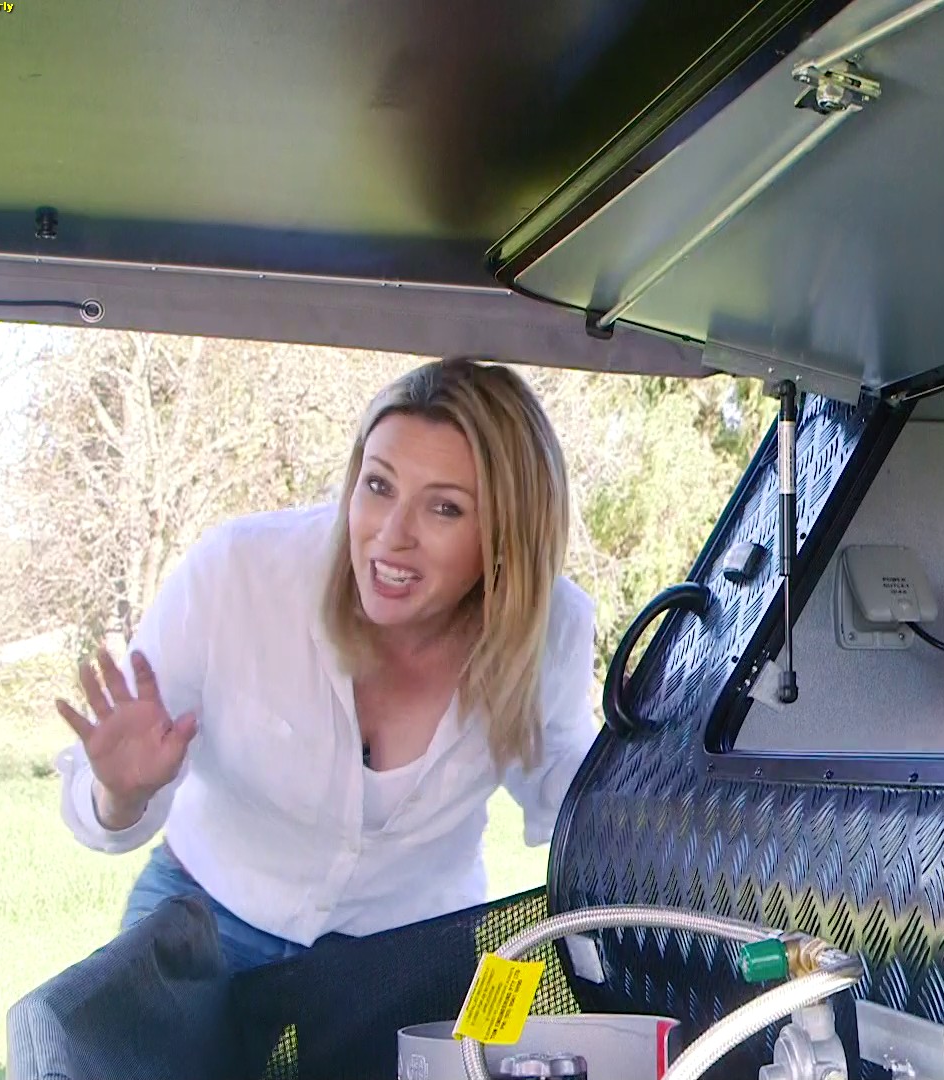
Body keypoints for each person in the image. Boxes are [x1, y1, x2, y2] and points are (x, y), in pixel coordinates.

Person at [52, 357, 600, 973]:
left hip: (407, 941)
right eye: (379, 486)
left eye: (444, 508)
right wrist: (119, 793)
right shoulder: (238, 574)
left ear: (507, 534)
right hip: (208, 909)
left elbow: (569, 793)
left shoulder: (551, 628)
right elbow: (102, 815)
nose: (392, 534)